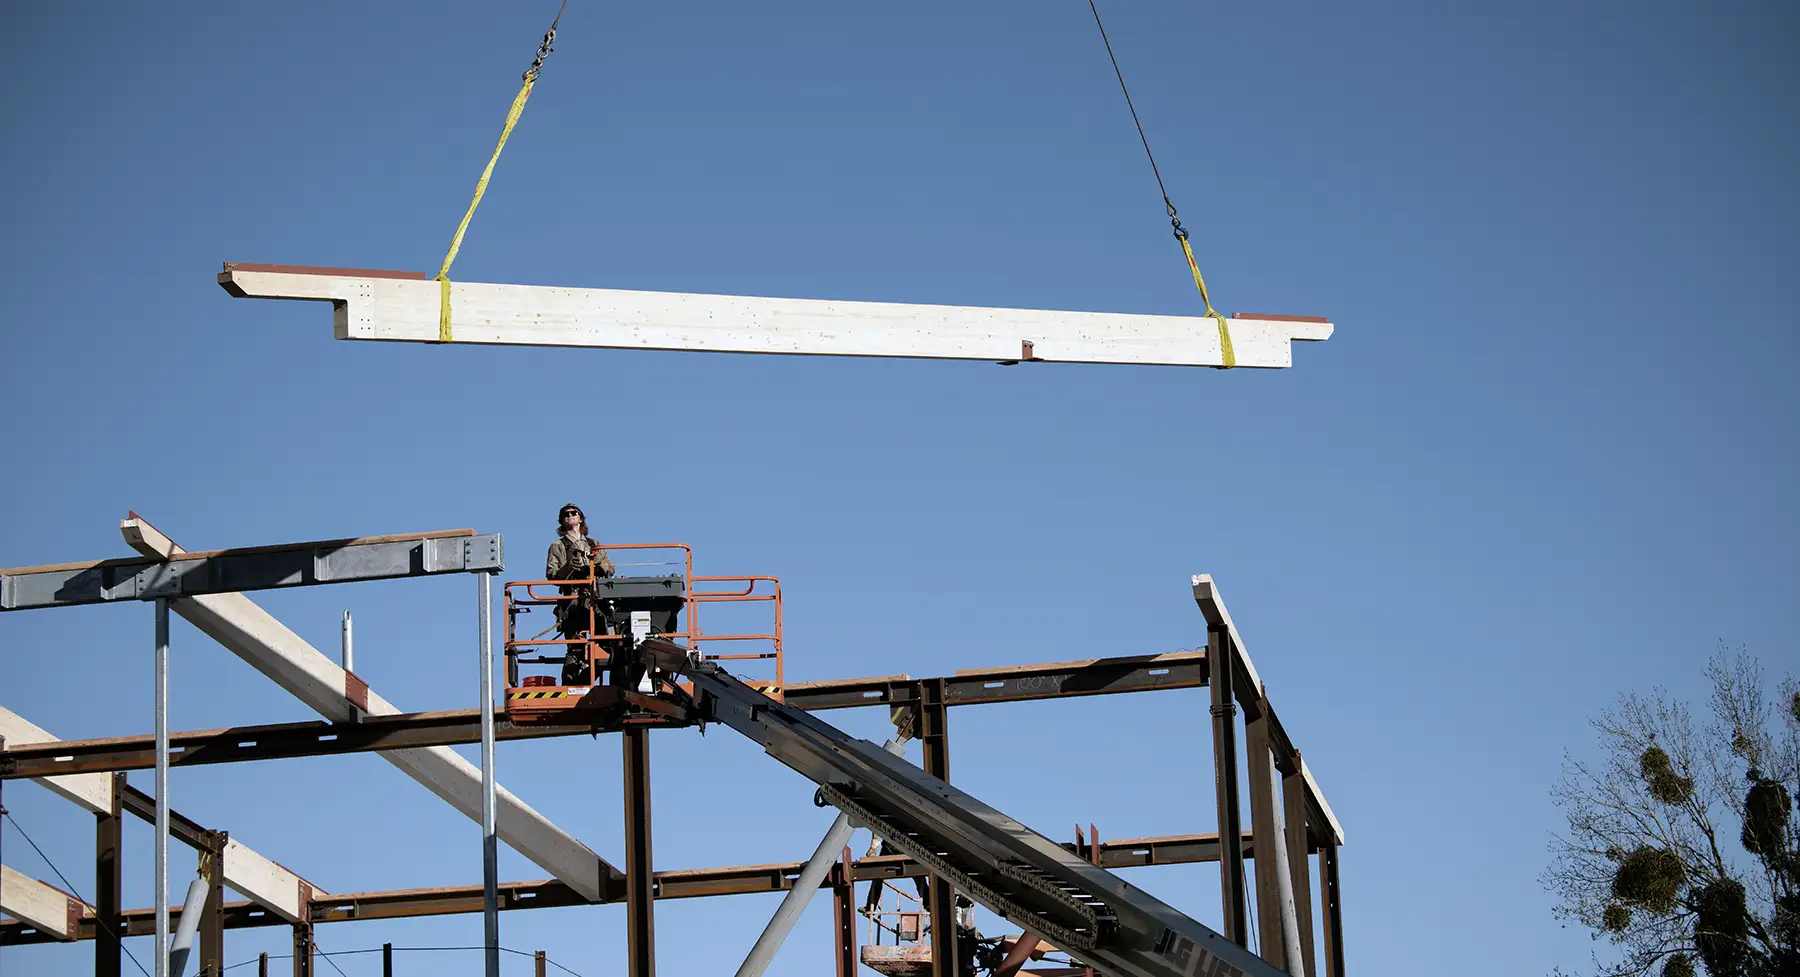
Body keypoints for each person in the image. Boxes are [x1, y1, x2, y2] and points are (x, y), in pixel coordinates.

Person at [546, 503, 614, 685]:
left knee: (608, 646)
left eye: (573, 513)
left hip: (595, 601)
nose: (569, 516)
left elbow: (611, 569)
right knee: (576, 649)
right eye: (565, 514)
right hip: (573, 602)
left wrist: (601, 565)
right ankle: (572, 684)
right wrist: (569, 567)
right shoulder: (558, 546)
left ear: (580, 518)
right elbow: (551, 574)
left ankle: (587, 679)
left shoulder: (594, 544)